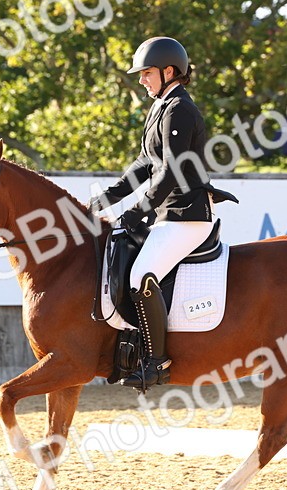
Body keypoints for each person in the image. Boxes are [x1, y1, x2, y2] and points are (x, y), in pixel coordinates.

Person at [89, 37, 234, 389]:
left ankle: (157, 361)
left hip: (187, 215)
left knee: (142, 276)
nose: (141, 80)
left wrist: (138, 211)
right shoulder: (160, 106)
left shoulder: (179, 109)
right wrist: (108, 198)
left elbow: (170, 171)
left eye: (147, 73)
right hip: (168, 215)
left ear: (169, 71)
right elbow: (144, 164)